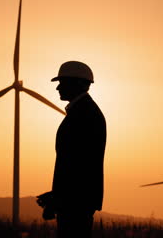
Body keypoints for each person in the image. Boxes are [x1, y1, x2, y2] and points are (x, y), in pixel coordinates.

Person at [37, 61, 106, 238]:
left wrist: (59, 199)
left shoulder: (84, 115)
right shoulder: (83, 112)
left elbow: (78, 164)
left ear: (80, 84)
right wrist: (56, 195)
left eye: (63, 82)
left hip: (76, 203)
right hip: (76, 201)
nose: (58, 88)